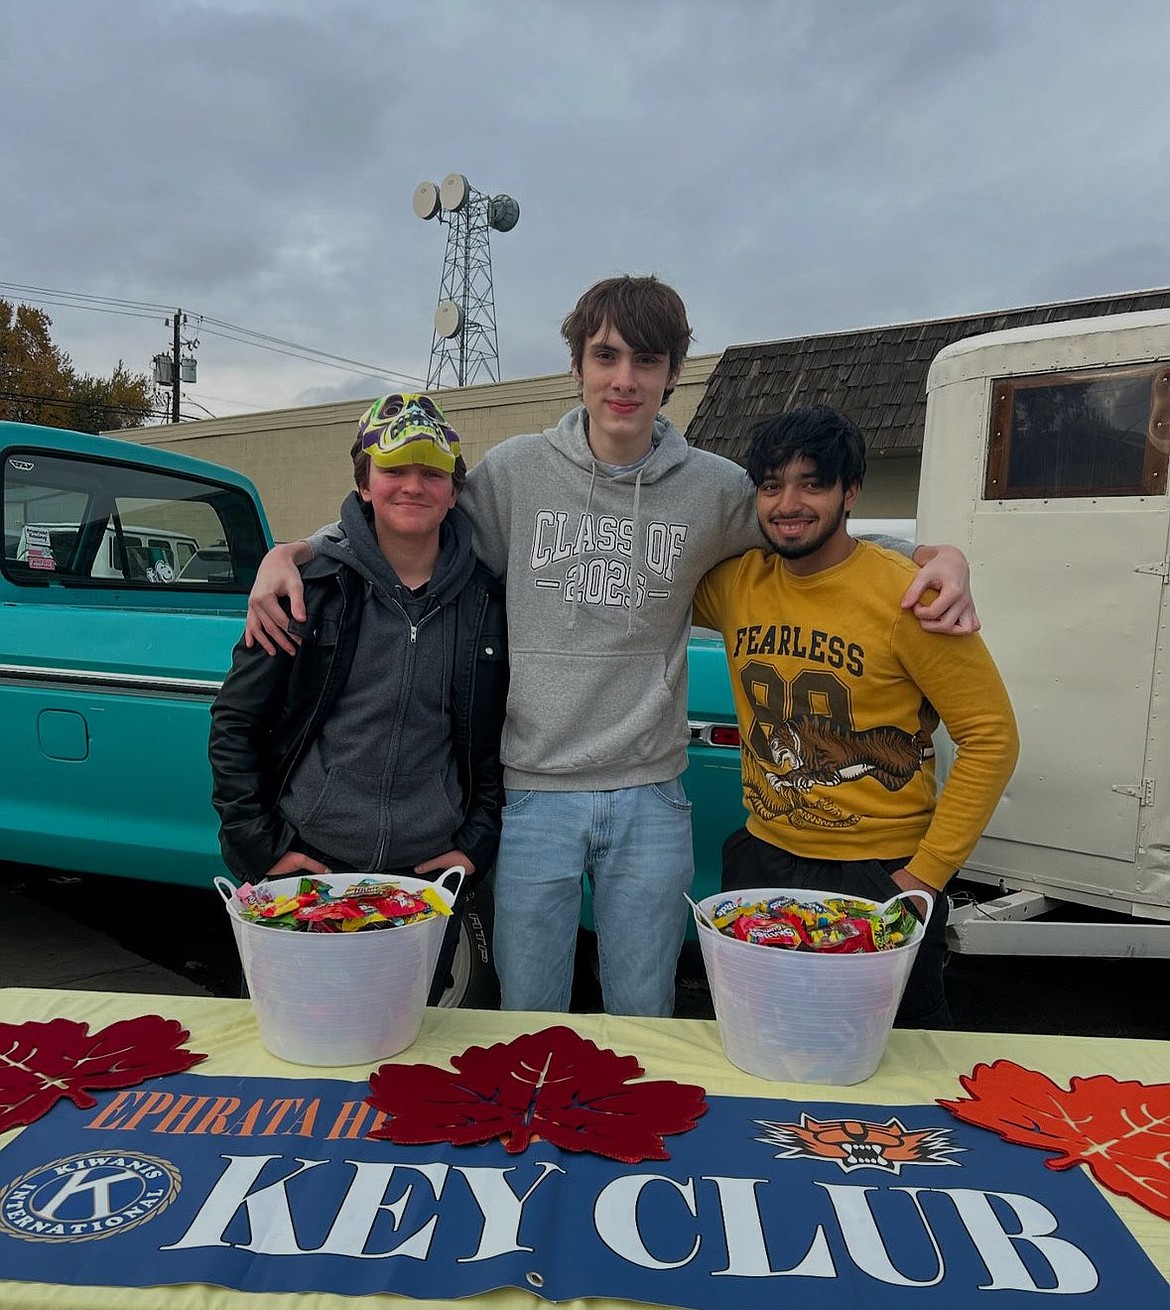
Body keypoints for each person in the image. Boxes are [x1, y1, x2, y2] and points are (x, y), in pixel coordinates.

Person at [243, 275, 977, 1019]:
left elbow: (814, 534)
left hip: (650, 797)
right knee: (528, 1012)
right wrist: (297, 552)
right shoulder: (515, 473)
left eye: (646, 360)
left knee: (643, 1014)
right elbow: (409, 518)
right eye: (606, 356)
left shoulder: (714, 488)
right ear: (577, 366)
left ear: (672, 373)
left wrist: (934, 556)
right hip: (533, 796)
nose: (624, 379)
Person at [692, 405, 1019, 1026]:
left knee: (897, 1053)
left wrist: (925, 877)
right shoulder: (735, 585)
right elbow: (644, 586)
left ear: (850, 492)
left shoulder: (909, 595)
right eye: (771, 485)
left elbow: (991, 737)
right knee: (764, 1037)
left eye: (812, 484)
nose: (788, 504)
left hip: (879, 872)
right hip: (764, 856)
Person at [209, 393, 508, 1005]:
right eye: (394, 469)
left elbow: (501, 738)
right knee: (295, 1035)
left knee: (406, 1040)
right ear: (365, 484)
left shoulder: (487, 604)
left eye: (432, 472)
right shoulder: (305, 590)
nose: (413, 486)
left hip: (426, 874)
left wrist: (475, 844)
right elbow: (235, 724)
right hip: (311, 863)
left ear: (455, 491)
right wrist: (261, 846)